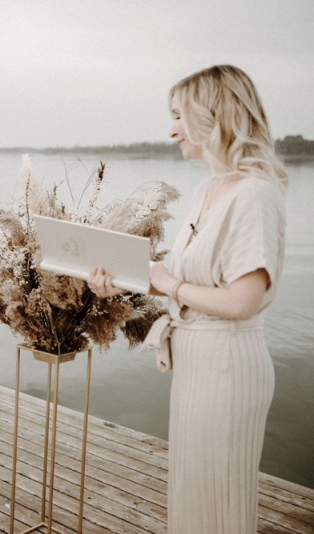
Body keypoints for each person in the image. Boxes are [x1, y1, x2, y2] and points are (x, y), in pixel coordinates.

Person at [88, 65, 286, 532]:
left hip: (228, 366)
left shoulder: (254, 194)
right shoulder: (207, 189)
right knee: (194, 493)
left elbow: (242, 301)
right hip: (198, 360)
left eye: (179, 115)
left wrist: (169, 284)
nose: (171, 128)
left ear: (212, 116)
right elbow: (182, 278)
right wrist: (128, 279)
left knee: (220, 499)